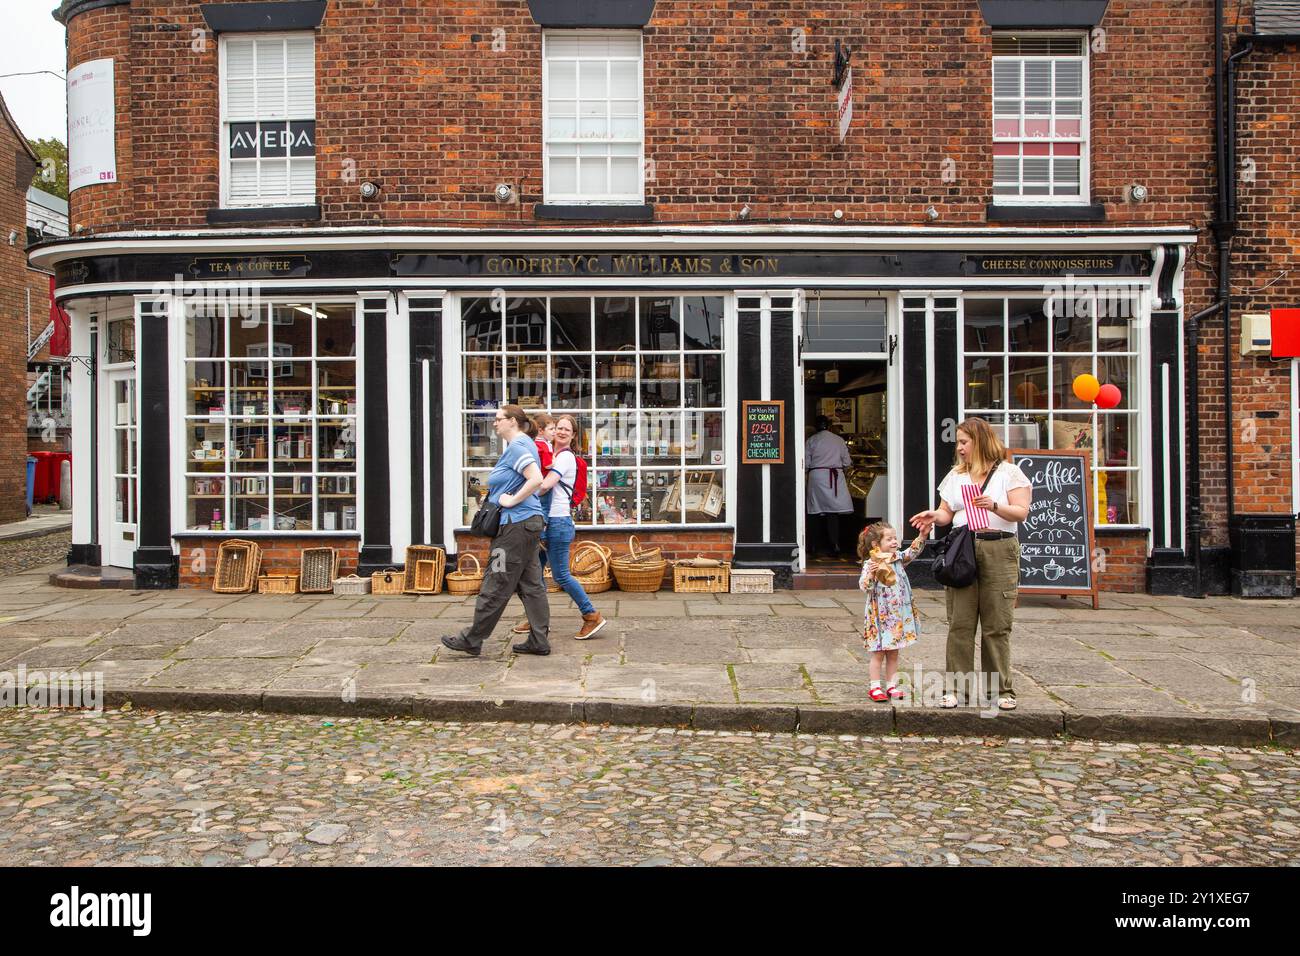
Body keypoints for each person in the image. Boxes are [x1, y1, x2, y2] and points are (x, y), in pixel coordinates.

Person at [910, 417, 1031, 710]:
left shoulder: (1009, 474)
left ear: (980, 441)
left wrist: (994, 505)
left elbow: (1021, 512)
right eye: (958, 443)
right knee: (960, 623)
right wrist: (932, 516)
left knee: (997, 624)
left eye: (964, 442)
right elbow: (946, 513)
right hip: (963, 547)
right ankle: (956, 690)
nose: (960, 448)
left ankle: (1000, 690)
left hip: (999, 547)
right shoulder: (956, 476)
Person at [441, 404, 551, 657]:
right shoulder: (525, 445)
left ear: (513, 421)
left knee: (497, 579)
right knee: (532, 584)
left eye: (499, 419)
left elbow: (536, 479)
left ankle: (472, 639)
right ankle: (538, 640)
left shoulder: (518, 447)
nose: (495, 423)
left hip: (515, 526)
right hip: (528, 524)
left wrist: (511, 500)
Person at [533, 414, 606, 640]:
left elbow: (545, 487)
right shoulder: (548, 454)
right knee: (534, 572)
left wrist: (518, 496)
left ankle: (591, 615)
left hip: (558, 522)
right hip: (547, 522)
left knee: (561, 575)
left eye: (567, 429)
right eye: (559, 428)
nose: (562, 432)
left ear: (573, 436)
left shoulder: (565, 458)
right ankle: (537, 619)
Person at [858, 521, 926, 702]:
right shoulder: (871, 564)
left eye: (895, 538)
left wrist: (923, 535)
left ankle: (891, 685)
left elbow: (912, 552)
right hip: (880, 616)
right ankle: (875, 687)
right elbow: (865, 587)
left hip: (897, 616)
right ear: (875, 544)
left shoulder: (897, 559)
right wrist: (872, 574)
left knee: (894, 652)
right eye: (889, 539)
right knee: (878, 653)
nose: (894, 542)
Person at [805, 415, 853, 559]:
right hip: (834, 477)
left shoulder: (811, 440)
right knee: (833, 513)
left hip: (817, 477)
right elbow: (847, 461)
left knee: (814, 513)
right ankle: (835, 545)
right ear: (829, 425)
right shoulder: (838, 440)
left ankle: (812, 545)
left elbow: (806, 463)